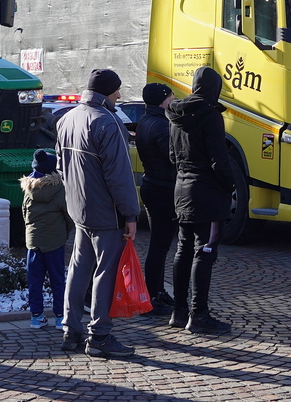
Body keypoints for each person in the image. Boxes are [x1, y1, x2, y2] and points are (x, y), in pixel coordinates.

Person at [56, 68, 141, 358]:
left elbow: (61, 166)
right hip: (107, 214)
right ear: (107, 92)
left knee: (78, 270)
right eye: (117, 90)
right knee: (105, 273)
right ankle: (100, 335)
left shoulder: (67, 118)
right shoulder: (107, 121)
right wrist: (131, 214)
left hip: (79, 209)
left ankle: (71, 330)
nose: (119, 95)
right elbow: (119, 176)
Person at [166, 66, 235, 336]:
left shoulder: (174, 116)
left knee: (183, 250)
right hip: (206, 192)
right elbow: (220, 160)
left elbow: (172, 157)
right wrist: (229, 185)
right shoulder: (210, 116)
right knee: (204, 253)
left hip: (181, 189)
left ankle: (179, 311)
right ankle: (199, 315)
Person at [133, 82, 178, 314]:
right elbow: (173, 158)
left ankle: (157, 291)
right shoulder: (160, 126)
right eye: (171, 97)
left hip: (153, 186)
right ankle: (153, 295)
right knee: (160, 247)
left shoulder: (146, 121)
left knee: (159, 246)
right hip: (163, 190)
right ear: (163, 99)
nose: (173, 100)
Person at [20, 149, 69, 330]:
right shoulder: (60, 189)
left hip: (33, 242)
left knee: (34, 280)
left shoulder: (29, 189)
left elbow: (25, 213)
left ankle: (36, 317)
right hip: (55, 241)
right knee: (57, 280)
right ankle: (60, 317)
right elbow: (68, 215)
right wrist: (63, 232)